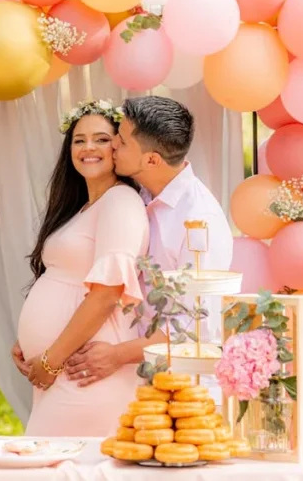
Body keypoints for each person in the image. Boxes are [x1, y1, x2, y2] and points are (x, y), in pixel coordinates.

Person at [68, 95, 234, 398]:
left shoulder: (198, 221)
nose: (113, 145)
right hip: (135, 381)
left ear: (152, 160)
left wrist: (117, 354)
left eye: (122, 141)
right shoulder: (136, 194)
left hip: (183, 389)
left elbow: (195, 329)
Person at [11, 100, 153, 437]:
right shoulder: (85, 208)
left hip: (82, 370)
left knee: (55, 467)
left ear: (119, 147)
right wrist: (31, 346)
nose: (89, 147)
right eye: (79, 140)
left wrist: (50, 359)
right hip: (59, 367)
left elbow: (106, 295)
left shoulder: (121, 202)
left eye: (102, 139)